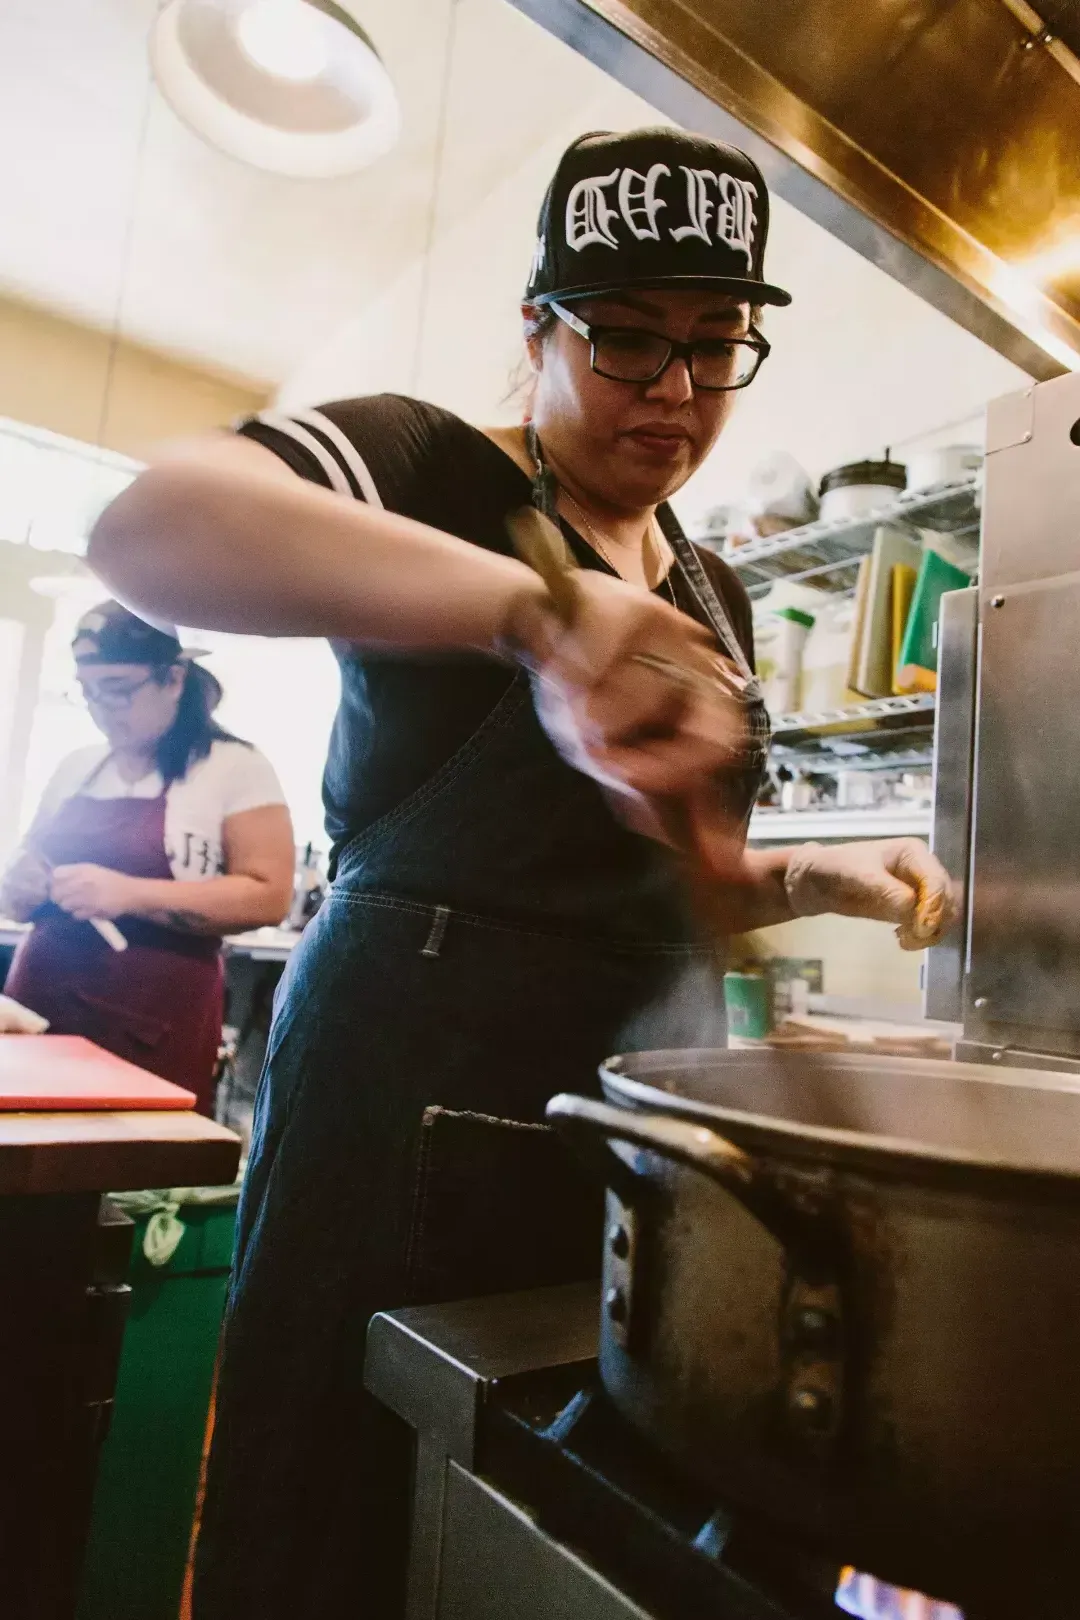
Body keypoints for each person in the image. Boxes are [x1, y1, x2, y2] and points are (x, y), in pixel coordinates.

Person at [88, 129, 956, 1619]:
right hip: (402, 1105)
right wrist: (535, 618)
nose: (674, 395)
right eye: (626, 341)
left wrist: (817, 876)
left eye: (713, 349)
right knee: (332, 1517)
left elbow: (646, 879)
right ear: (539, 326)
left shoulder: (709, 586)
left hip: (619, 1137)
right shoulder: (432, 468)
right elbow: (146, 531)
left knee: (536, 1531)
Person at [1, 601, 294, 1112]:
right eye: (87, 691)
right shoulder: (77, 766)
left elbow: (267, 895)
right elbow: (24, 872)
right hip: (39, 1001)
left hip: (152, 1014)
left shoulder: (232, 766)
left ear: (174, 678)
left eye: (117, 689)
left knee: (134, 1177)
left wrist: (127, 894)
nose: (100, 708)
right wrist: (17, 888)